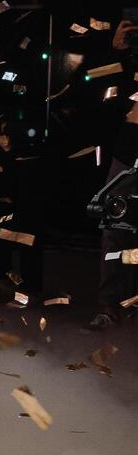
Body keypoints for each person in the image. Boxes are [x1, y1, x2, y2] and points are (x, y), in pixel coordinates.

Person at [91, 18, 138, 329]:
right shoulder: (128, 61)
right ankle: (110, 304)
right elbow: (99, 92)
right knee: (116, 231)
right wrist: (117, 51)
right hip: (128, 156)